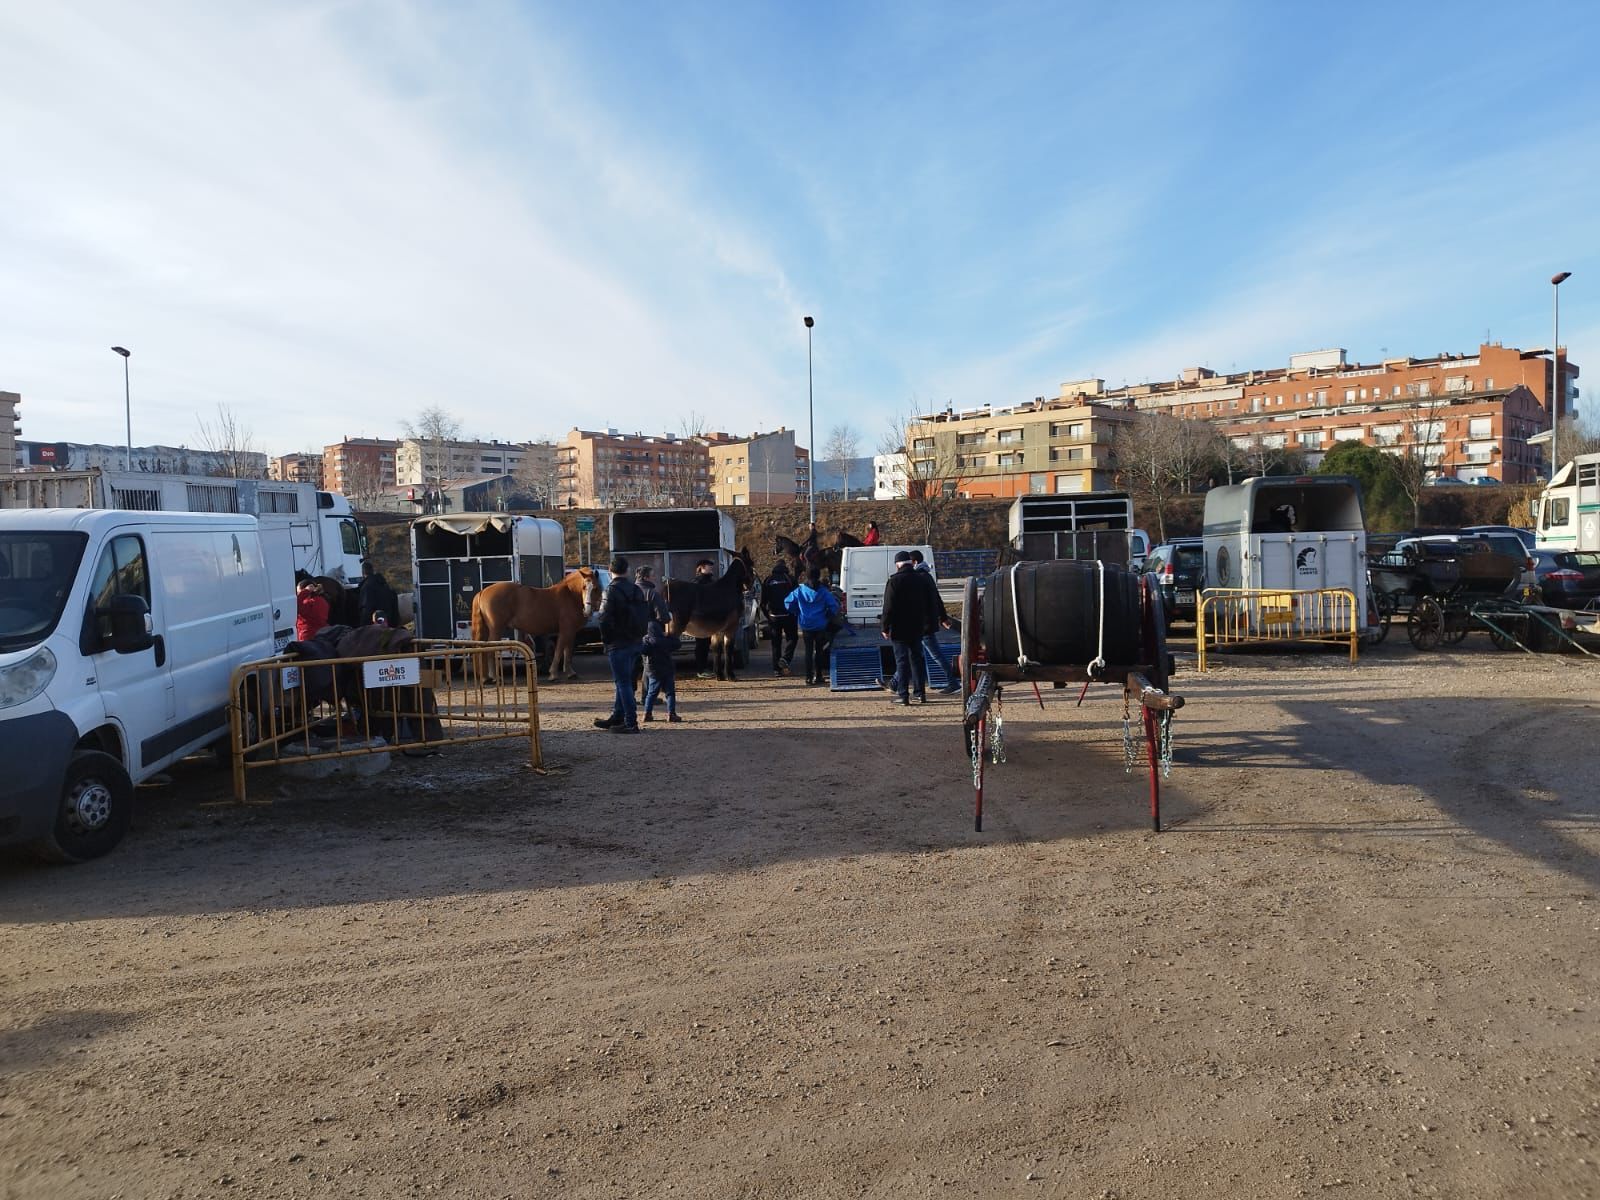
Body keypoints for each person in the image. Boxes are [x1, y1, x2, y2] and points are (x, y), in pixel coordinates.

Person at [593, 556, 649, 734]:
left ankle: (631, 723)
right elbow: (645, 615)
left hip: (618, 643)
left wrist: (606, 640)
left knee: (623, 683)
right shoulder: (636, 589)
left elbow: (603, 618)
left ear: (610, 570)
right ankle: (617, 716)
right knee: (624, 682)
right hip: (636, 641)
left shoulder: (610, 590)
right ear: (627, 570)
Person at [880, 551, 936, 705]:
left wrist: (885, 626)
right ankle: (920, 694)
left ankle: (903, 695)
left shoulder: (894, 581)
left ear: (898, 564)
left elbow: (888, 607)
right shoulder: (921, 579)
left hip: (899, 627)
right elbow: (929, 601)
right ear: (910, 562)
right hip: (918, 625)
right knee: (917, 660)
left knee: (902, 661)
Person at [634, 569, 682, 723]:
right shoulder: (652, 593)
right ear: (647, 577)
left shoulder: (631, 591)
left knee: (643, 668)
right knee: (669, 691)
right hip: (664, 663)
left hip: (635, 635)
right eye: (653, 575)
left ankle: (645, 707)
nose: (654, 577)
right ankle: (670, 713)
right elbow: (664, 617)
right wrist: (669, 633)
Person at [910, 550, 960, 694]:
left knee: (934, 654)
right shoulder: (927, 576)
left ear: (914, 562)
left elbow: (930, 600)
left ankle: (953, 682)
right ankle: (894, 683)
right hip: (927, 622)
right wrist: (942, 617)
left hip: (922, 624)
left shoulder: (919, 577)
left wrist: (942, 617)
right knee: (913, 652)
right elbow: (937, 599)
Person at [784, 566, 840, 686]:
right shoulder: (823, 591)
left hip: (806, 624)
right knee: (819, 651)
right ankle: (819, 675)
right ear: (818, 576)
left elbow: (787, 602)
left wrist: (797, 611)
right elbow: (834, 606)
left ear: (806, 575)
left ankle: (808, 677)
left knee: (808, 651)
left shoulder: (800, 590)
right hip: (820, 624)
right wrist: (828, 615)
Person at [761, 561, 798, 675]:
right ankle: (786, 658)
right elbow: (797, 598)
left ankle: (776, 669)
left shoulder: (768, 580)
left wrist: (768, 616)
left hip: (774, 617)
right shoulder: (790, 579)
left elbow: (763, 603)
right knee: (792, 638)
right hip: (788, 615)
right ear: (785, 568)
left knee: (776, 643)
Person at [690, 558, 717, 678]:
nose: (711, 568)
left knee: (706, 644)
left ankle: (705, 667)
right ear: (701, 567)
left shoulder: (710, 580)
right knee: (702, 644)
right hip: (701, 617)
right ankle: (701, 669)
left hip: (709, 616)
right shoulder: (698, 582)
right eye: (708, 566)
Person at [357, 559, 400, 627]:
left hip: (375, 627)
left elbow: (366, 609)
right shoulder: (384, 584)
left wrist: (363, 627)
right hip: (389, 624)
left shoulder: (366, 587)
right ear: (372, 570)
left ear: (363, 572)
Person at [295, 578, 330, 643]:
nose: (297, 595)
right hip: (323, 635)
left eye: (299, 592)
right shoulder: (323, 601)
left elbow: (295, 606)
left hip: (307, 637)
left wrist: (305, 591)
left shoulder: (308, 603)